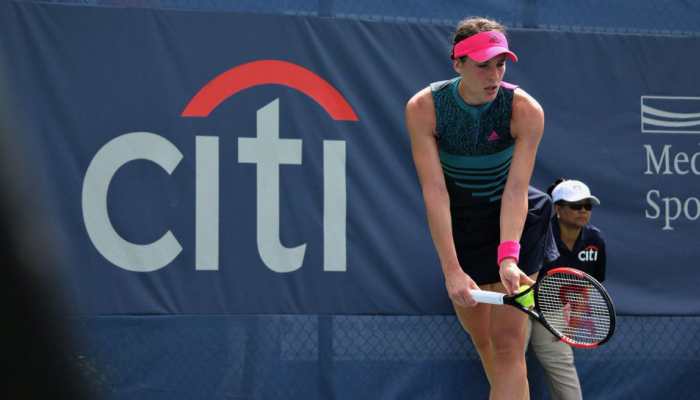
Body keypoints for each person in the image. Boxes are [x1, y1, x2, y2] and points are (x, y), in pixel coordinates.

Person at [405, 17, 558, 400]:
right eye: (483, 64)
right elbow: (436, 191)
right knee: (485, 342)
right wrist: (452, 270)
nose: (494, 74)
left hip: (521, 220)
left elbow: (516, 189)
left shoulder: (525, 110)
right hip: (464, 221)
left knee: (508, 346)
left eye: (501, 64)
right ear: (457, 63)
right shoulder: (425, 108)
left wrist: (509, 258)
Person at [528, 179, 607, 400]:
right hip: (521, 306)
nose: (583, 211)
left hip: (553, 310)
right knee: (510, 361)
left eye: (587, 206)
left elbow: (587, 284)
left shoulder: (595, 240)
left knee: (562, 363)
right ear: (558, 208)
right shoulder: (537, 233)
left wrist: (573, 320)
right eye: (575, 205)